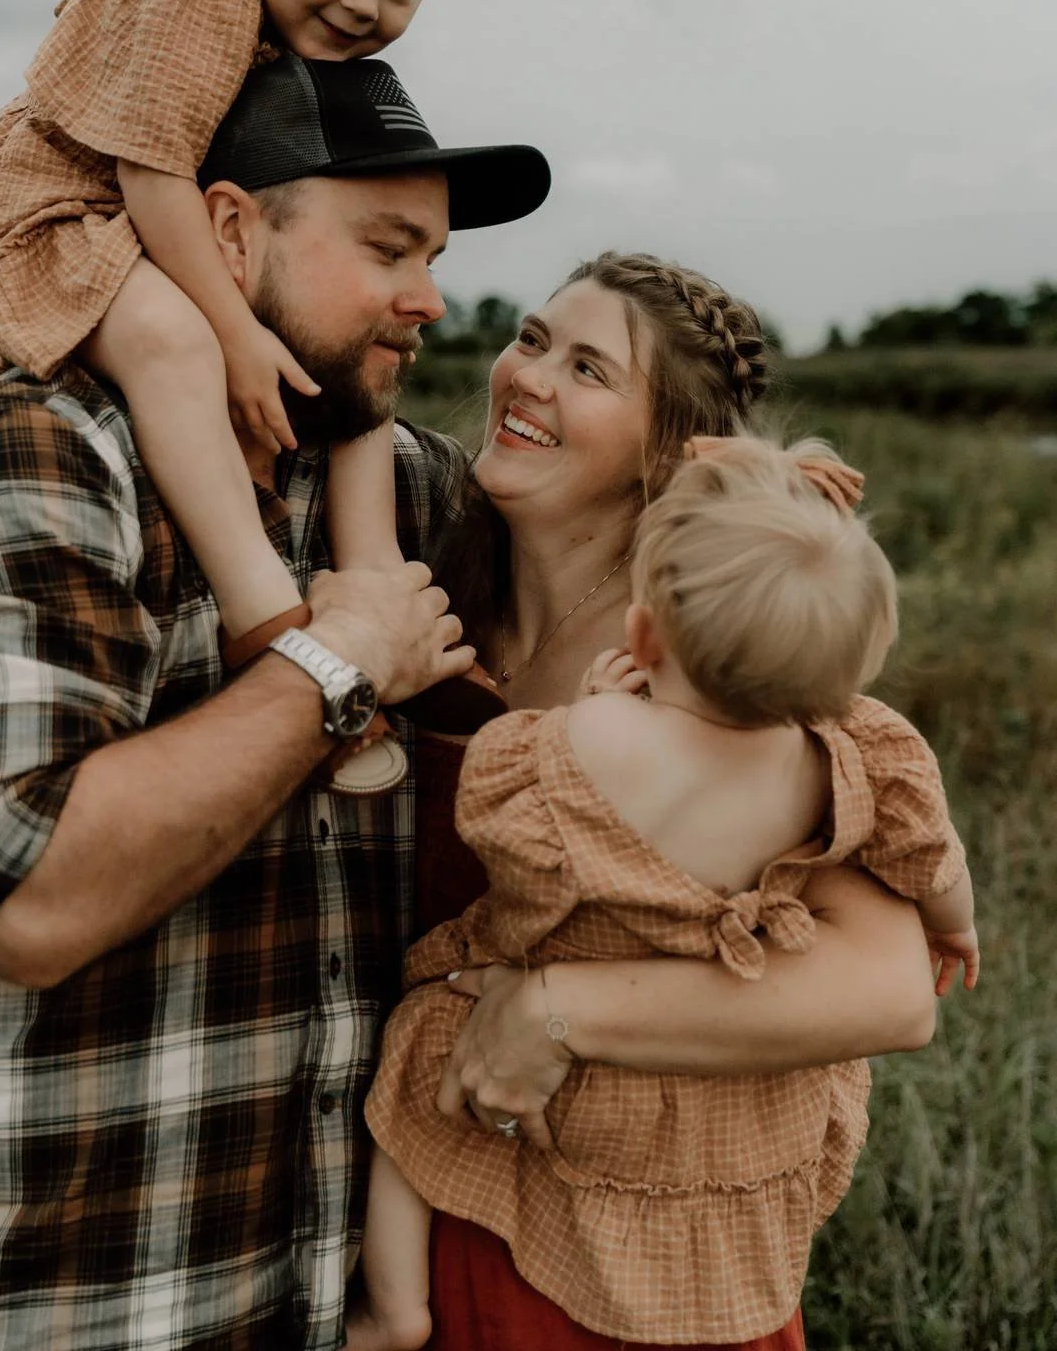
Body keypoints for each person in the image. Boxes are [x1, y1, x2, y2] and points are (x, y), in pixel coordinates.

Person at [0, 58, 550, 1351]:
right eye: (388, 248)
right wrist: (333, 671)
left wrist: (742, 486)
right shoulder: (29, 458)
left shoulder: (409, 494)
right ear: (229, 233)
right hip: (43, 1306)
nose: (430, 299)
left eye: (434, 255)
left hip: (311, 1307)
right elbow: (31, 899)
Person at [315, 251, 937, 1351]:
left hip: (631, 1246)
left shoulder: (721, 670)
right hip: (444, 1189)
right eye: (533, 337)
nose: (528, 375)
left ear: (664, 448)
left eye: (589, 368)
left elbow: (892, 991)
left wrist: (556, 1010)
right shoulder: (437, 597)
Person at [0, 0, 469, 781]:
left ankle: (371, 583)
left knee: (351, 372)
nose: (367, 4)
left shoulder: (299, 46)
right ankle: (265, 616)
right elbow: (149, 180)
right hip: (65, 208)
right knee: (177, 344)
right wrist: (235, 332)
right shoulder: (208, 0)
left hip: (150, 213)